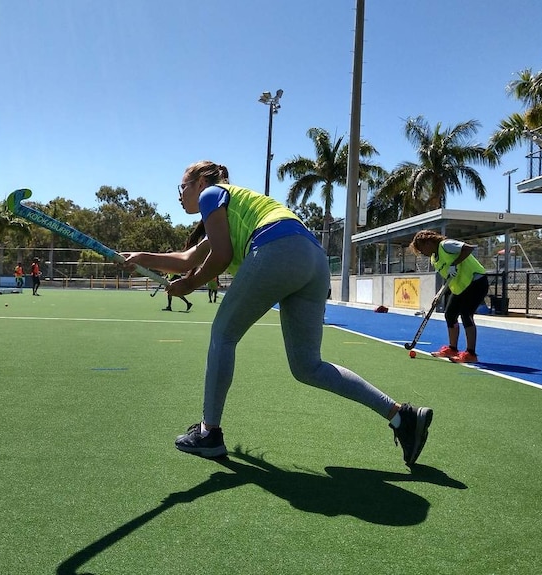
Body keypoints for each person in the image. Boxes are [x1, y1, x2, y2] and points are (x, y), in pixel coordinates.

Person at [121, 160, 433, 465]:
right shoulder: (232, 211)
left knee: (223, 334)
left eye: (183, 186)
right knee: (307, 366)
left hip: (277, 248)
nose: (180, 194)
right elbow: (189, 258)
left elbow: (221, 256)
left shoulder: (212, 194)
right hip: (312, 259)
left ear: (200, 183)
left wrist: (187, 285)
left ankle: (208, 432)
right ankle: (401, 416)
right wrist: (140, 258)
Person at [409, 230, 489, 363]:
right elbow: (448, 277)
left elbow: (469, 248)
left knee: (466, 314)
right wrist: (440, 293)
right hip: (460, 287)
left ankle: (471, 354)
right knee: (450, 314)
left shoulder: (446, 245)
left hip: (476, 281)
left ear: (428, 242)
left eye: (421, 249)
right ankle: (452, 349)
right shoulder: (434, 258)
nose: (422, 253)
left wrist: (454, 263)